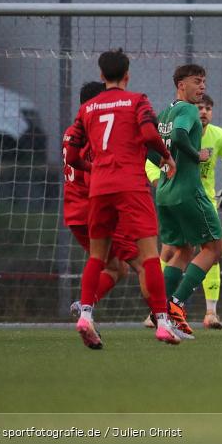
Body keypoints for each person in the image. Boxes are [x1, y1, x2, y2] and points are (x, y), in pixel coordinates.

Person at [64, 49, 179, 348]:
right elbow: (150, 134)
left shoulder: (87, 108)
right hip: (131, 185)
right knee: (149, 256)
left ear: (101, 76)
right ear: (127, 74)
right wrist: (166, 157)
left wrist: (96, 167)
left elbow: (74, 154)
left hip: (100, 188)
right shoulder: (137, 101)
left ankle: (86, 315)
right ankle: (163, 322)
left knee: (97, 257)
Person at [144, 93, 222, 329]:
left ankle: (207, 312)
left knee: (191, 251)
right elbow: (151, 162)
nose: (203, 111)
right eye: (199, 107)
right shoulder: (180, 128)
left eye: (208, 107)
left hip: (202, 200)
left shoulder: (218, 135)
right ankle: (170, 305)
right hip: (185, 197)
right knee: (185, 251)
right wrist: (167, 179)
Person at [64, 81, 150, 321]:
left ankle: (84, 306)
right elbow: (94, 176)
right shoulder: (94, 133)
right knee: (143, 263)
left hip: (74, 211)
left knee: (116, 268)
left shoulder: (72, 131)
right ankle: (161, 319)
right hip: (96, 209)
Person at [152, 64, 222, 338]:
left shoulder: (164, 114)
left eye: (204, 81)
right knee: (214, 247)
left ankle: (160, 310)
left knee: (181, 250)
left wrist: (164, 163)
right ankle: (176, 305)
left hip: (165, 194)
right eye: (197, 81)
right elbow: (181, 136)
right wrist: (196, 156)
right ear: (181, 84)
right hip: (187, 191)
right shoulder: (187, 110)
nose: (202, 87)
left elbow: (149, 148)